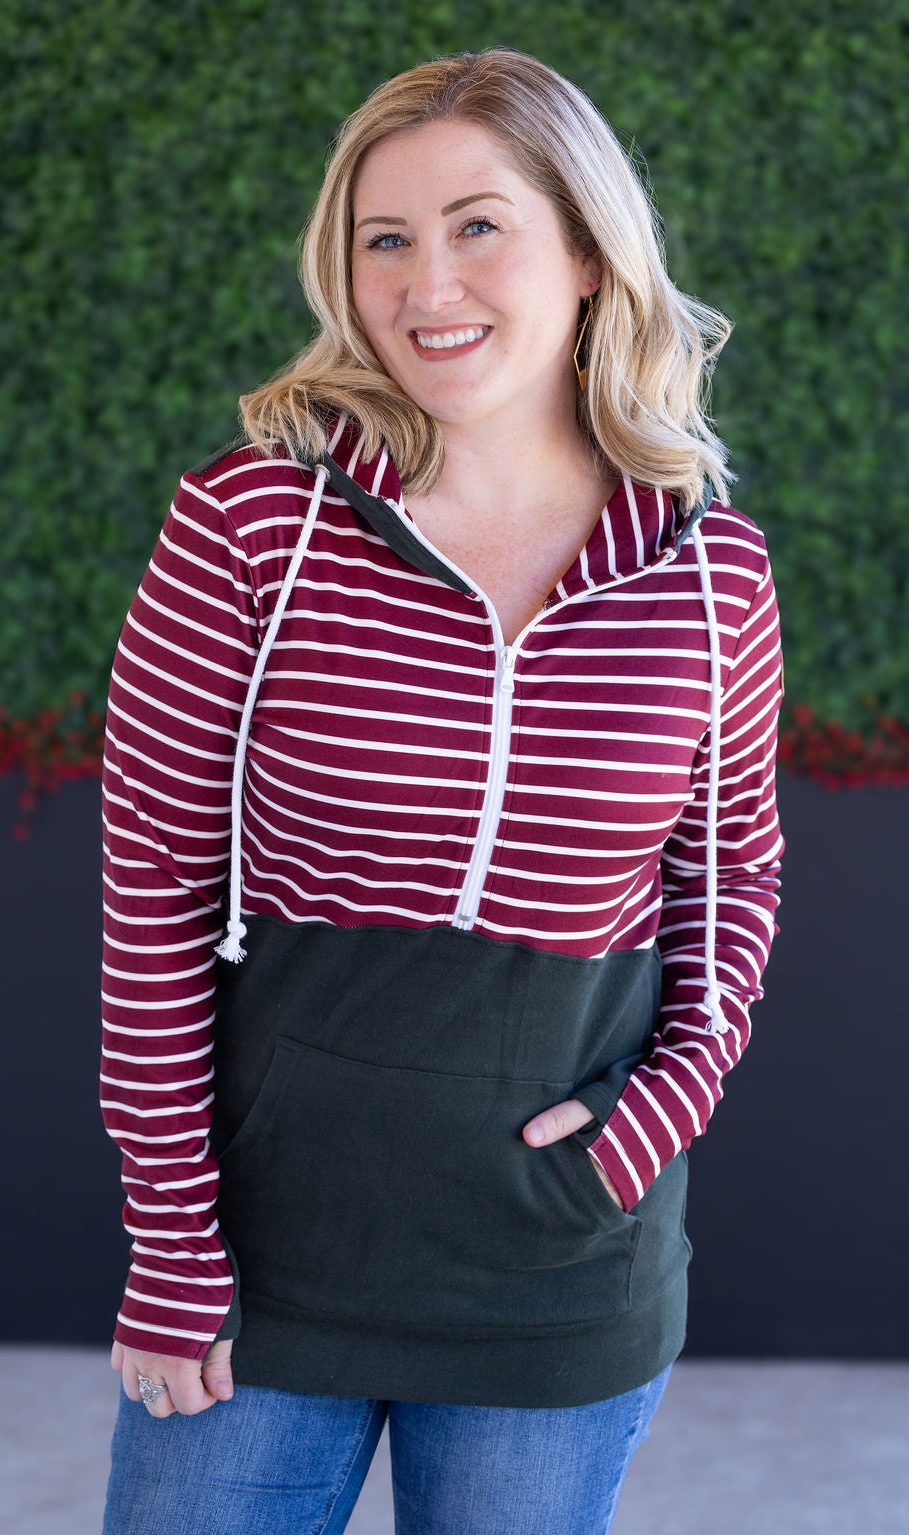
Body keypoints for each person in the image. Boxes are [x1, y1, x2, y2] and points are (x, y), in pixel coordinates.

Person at [99, 47, 783, 1535]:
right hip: (267, 1254)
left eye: (480, 227)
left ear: (589, 253)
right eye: (386, 240)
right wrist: (172, 1238)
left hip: (562, 1267)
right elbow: (153, 887)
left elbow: (731, 879)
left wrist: (654, 1115)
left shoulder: (708, 570)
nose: (429, 286)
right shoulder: (250, 522)